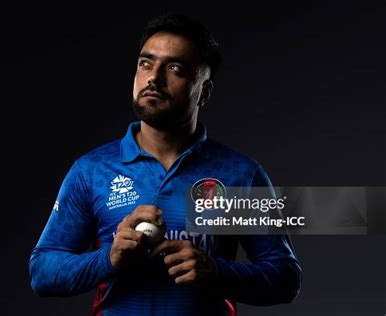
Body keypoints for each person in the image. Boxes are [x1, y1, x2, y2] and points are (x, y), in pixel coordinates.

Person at [29, 13, 302, 315]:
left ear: (205, 92)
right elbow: (42, 272)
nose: (153, 78)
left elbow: (286, 278)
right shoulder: (92, 171)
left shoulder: (239, 174)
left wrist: (216, 272)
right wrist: (109, 258)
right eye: (146, 63)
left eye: (174, 68)